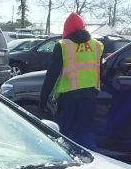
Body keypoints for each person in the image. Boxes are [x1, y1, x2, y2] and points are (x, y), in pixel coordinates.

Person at [38, 13, 103, 147]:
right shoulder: (97, 45)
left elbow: (52, 75)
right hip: (90, 96)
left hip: (69, 96)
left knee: (63, 135)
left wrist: (43, 99)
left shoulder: (63, 45)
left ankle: (66, 162)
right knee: (83, 132)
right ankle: (95, 161)